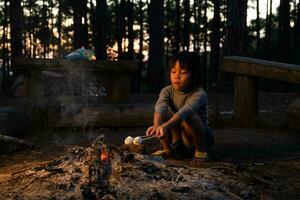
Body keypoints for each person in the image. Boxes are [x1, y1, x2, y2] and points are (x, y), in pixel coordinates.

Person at [146, 51, 214, 161]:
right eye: (173, 72)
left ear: (194, 75)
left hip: (197, 138)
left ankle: (200, 151)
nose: (177, 76)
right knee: (164, 113)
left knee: (190, 116)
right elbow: (161, 107)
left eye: (183, 72)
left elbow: (185, 112)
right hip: (177, 138)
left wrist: (166, 126)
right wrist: (156, 125)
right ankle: (168, 150)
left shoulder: (199, 94)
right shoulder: (167, 91)